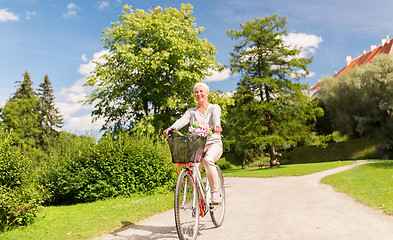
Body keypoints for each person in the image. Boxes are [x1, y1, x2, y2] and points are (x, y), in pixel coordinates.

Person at [163, 82, 223, 204]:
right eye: (196, 92)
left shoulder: (214, 108)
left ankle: (215, 192)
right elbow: (182, 121)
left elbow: (217, 120)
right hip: (198, 145)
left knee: (208, 160)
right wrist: (171, 129)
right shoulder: (191, 112)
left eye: (201, 91)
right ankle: (198, 197)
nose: (199, 94)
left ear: (207, 93)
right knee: (192, 168)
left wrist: (217, 127)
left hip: (213, 144)